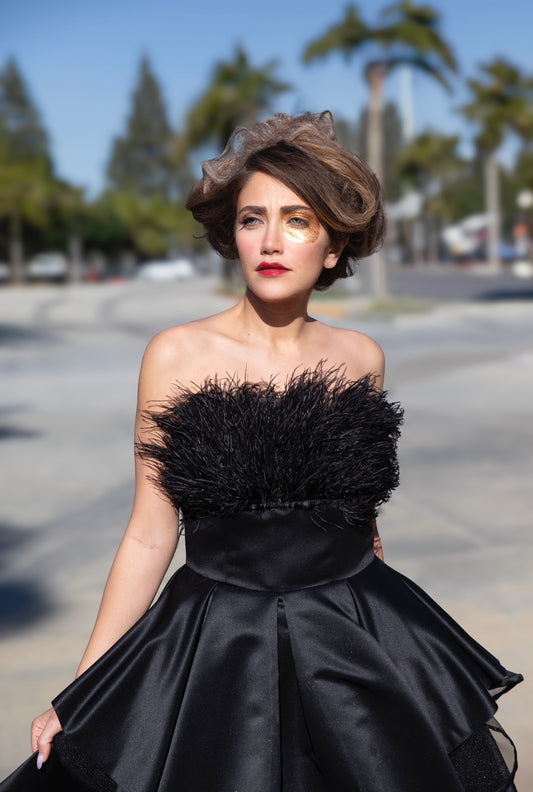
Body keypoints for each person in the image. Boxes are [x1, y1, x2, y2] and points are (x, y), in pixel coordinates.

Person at [0, 111, 522, 792]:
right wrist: (85, 691)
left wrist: (398, 648)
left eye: (298, 220)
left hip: (355, 639)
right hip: (218, 649)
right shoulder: (176, 354)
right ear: (234, 236)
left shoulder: (361, 357)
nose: (271, 240)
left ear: (333, 247)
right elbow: (149, 534)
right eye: (253, 219)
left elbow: (361, 523)